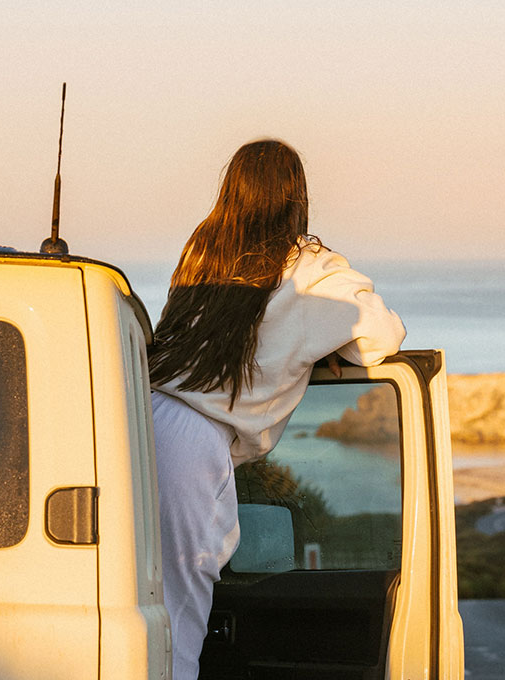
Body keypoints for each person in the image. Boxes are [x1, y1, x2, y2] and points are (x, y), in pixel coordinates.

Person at [147, 138, 405, 680]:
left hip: (137, 417)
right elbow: (382, 336)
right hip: (192, 443)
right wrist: (325, 347)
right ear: (296, 198)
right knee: (178, 628)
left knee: (132, 608)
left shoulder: (203, 251)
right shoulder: (307, 269)